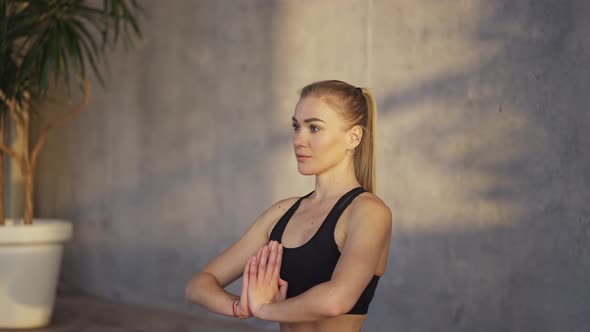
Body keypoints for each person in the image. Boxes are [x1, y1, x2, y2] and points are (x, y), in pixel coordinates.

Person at [185, 80, 392, 332]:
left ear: (353, 137)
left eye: (314, 128)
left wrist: (264, 309)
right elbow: (199, 285)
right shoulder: (282, 213)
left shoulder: (368, 212)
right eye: (296, 127)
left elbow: (336, 299)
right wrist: (242, 307)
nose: (298, 140)